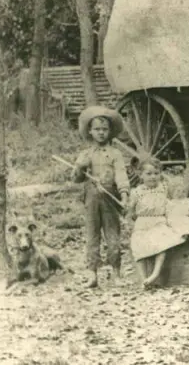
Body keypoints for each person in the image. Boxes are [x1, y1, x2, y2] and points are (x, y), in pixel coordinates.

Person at [73, 105, 131, 288]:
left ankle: (116, 273)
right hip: (91, 199)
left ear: (110, 132)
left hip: (109, 198)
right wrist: (80, 167)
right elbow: (76, 179)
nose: (101, 133)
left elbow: (121, 175)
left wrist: (124, 194)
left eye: (104, 129)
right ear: (90, 131)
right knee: (92, 237)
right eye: (97, 129)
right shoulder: (85, 154)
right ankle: (92, 274)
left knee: (113, 237)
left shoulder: (115, 154)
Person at [126, 158, 186, 288]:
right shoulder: (136, 192)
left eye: (156, 173)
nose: (153, 177)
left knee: (162, 242)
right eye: (148, 174)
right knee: (137, 246)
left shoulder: (163, 188)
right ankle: (144, 280)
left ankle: (155, 273)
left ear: (160, 174)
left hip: (159, 221)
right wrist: (132, 224)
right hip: (142, 223)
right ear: (140, 175)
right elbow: (130, 213)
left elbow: (172, 203)